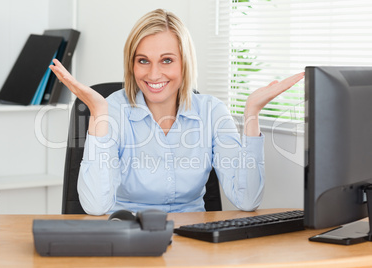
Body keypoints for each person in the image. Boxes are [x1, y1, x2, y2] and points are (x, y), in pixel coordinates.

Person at [50, 9, 304, 215]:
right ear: (132, 64)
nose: (153, 74)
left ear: (185, 63)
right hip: (128, 238)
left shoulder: (211, 112)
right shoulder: (113, 110)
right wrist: (98, 112)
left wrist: (251, 114)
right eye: (143, 60)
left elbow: (247, 200)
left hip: (193, 242)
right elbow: (95, 207)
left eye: (167, 60)